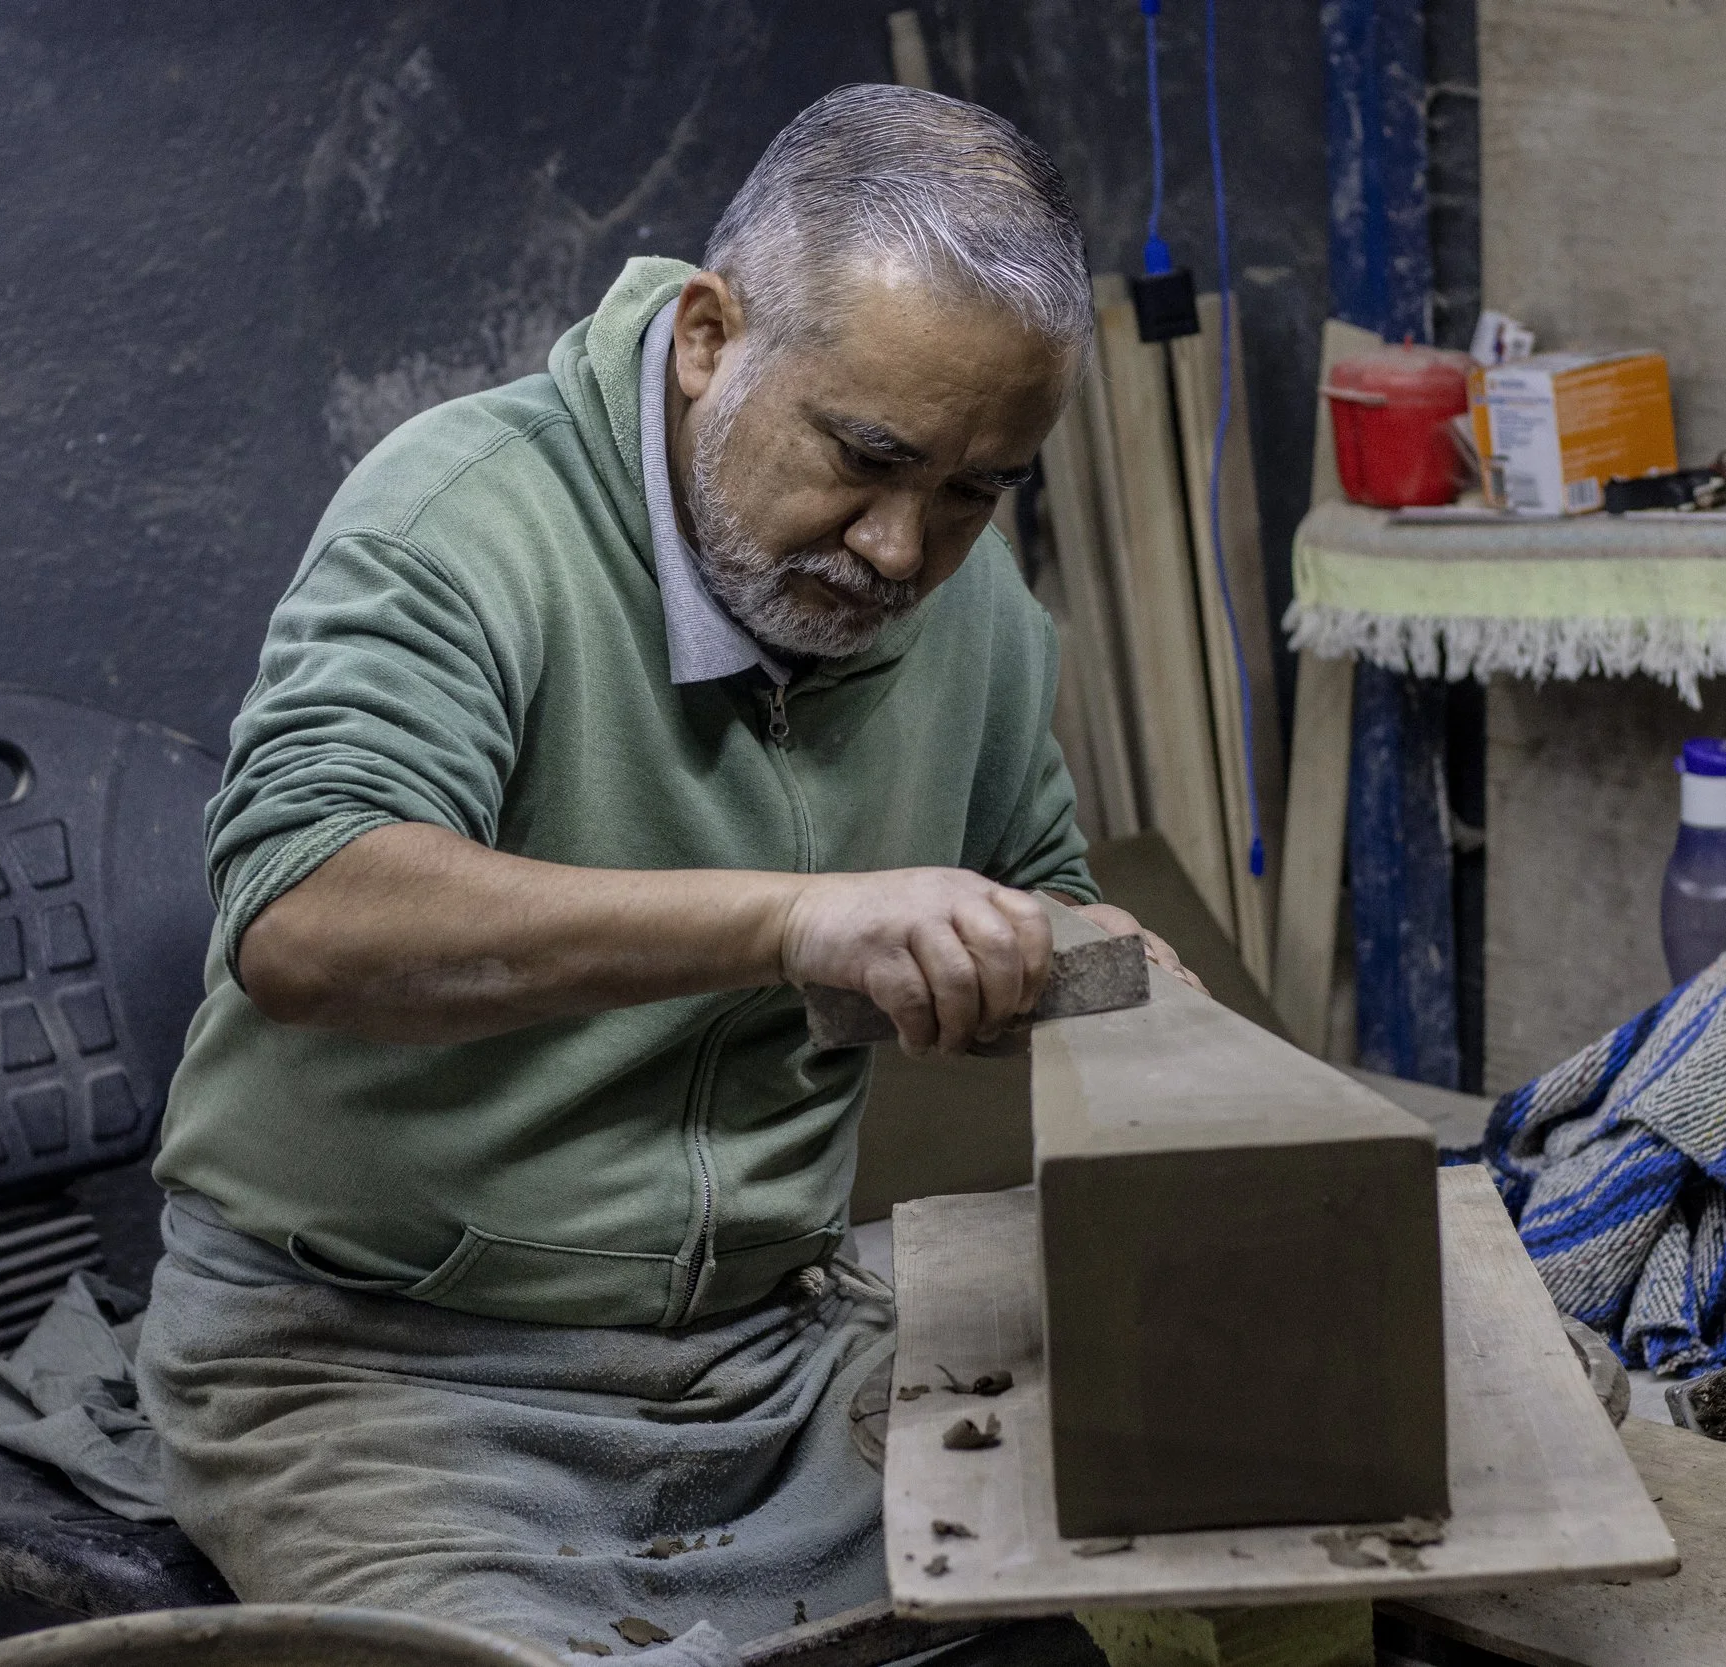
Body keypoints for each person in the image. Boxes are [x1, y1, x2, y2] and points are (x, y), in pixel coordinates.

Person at [135, 83, 1192, 1664]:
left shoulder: (971, 621)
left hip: (763, 1348)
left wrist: (1081, 957)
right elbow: (306, 914)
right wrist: (792, 920)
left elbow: (1043, 890)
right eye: (869, 455)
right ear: (710, 337)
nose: (903, 552)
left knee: (1186, 1531)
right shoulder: (463, 522)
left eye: (974, 490)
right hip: (370, 1368)